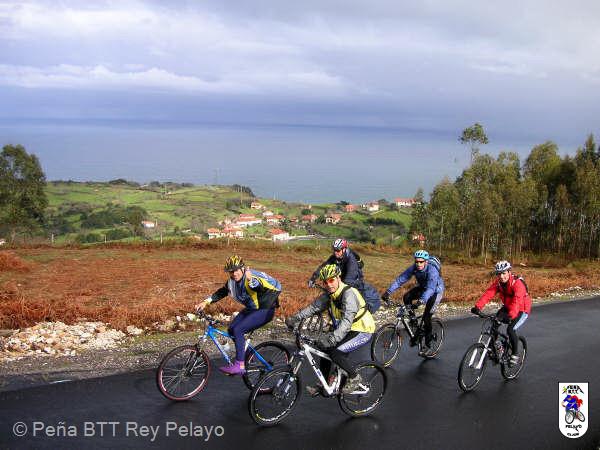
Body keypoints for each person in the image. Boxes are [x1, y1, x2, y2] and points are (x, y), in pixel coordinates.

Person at [286, 264, 375, 395]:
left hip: (362, 329)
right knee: (325, 349)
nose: (329, 284)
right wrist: (295, 318)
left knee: (336, 353)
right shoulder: (330, 294)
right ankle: (325, 384)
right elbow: (313, 308)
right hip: (346, 329)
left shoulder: (349, 294)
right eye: (325, 282)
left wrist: (333, 338)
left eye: (331, 280)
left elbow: (347, 321)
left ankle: (355, 377)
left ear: (338, 278)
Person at [195, 255, 281, 375]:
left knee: (238, 330)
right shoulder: (231, 282)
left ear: (242, 268)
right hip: (252, 308)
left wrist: (251, 280)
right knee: (231, 329)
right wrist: (206, 302)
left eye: (236, 270)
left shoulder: (251, 277)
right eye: (231, 271)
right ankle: (245, 357)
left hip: (265, 310)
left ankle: (240, 364)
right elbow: (222, 292)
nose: (234, 274)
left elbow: (258, 287)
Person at [381, 249, 444, 356]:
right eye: (416, 261)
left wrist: (421, 300)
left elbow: (431, 288)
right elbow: (400, 279)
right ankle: (414, 322)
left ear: (426, 262)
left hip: (435, 291)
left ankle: (428, 344)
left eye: (421, 262)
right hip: (424, 288)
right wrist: (388, 292)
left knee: (427, 317)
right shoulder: (414, 268)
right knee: (407, 297)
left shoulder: (432, 270)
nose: (418, 264)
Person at [471, 260, 531, 366]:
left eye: (504, 273)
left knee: (510, 330)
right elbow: (489, 293)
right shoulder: (499, 283)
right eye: (499, 274)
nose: (501, 276)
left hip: (522, 309)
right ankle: (494, 349)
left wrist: (510, 316)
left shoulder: (517, 284)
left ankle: (515, 354)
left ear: (509, 272)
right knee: (494, 324)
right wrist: (478, 307)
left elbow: (517, 301)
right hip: (508, 307)